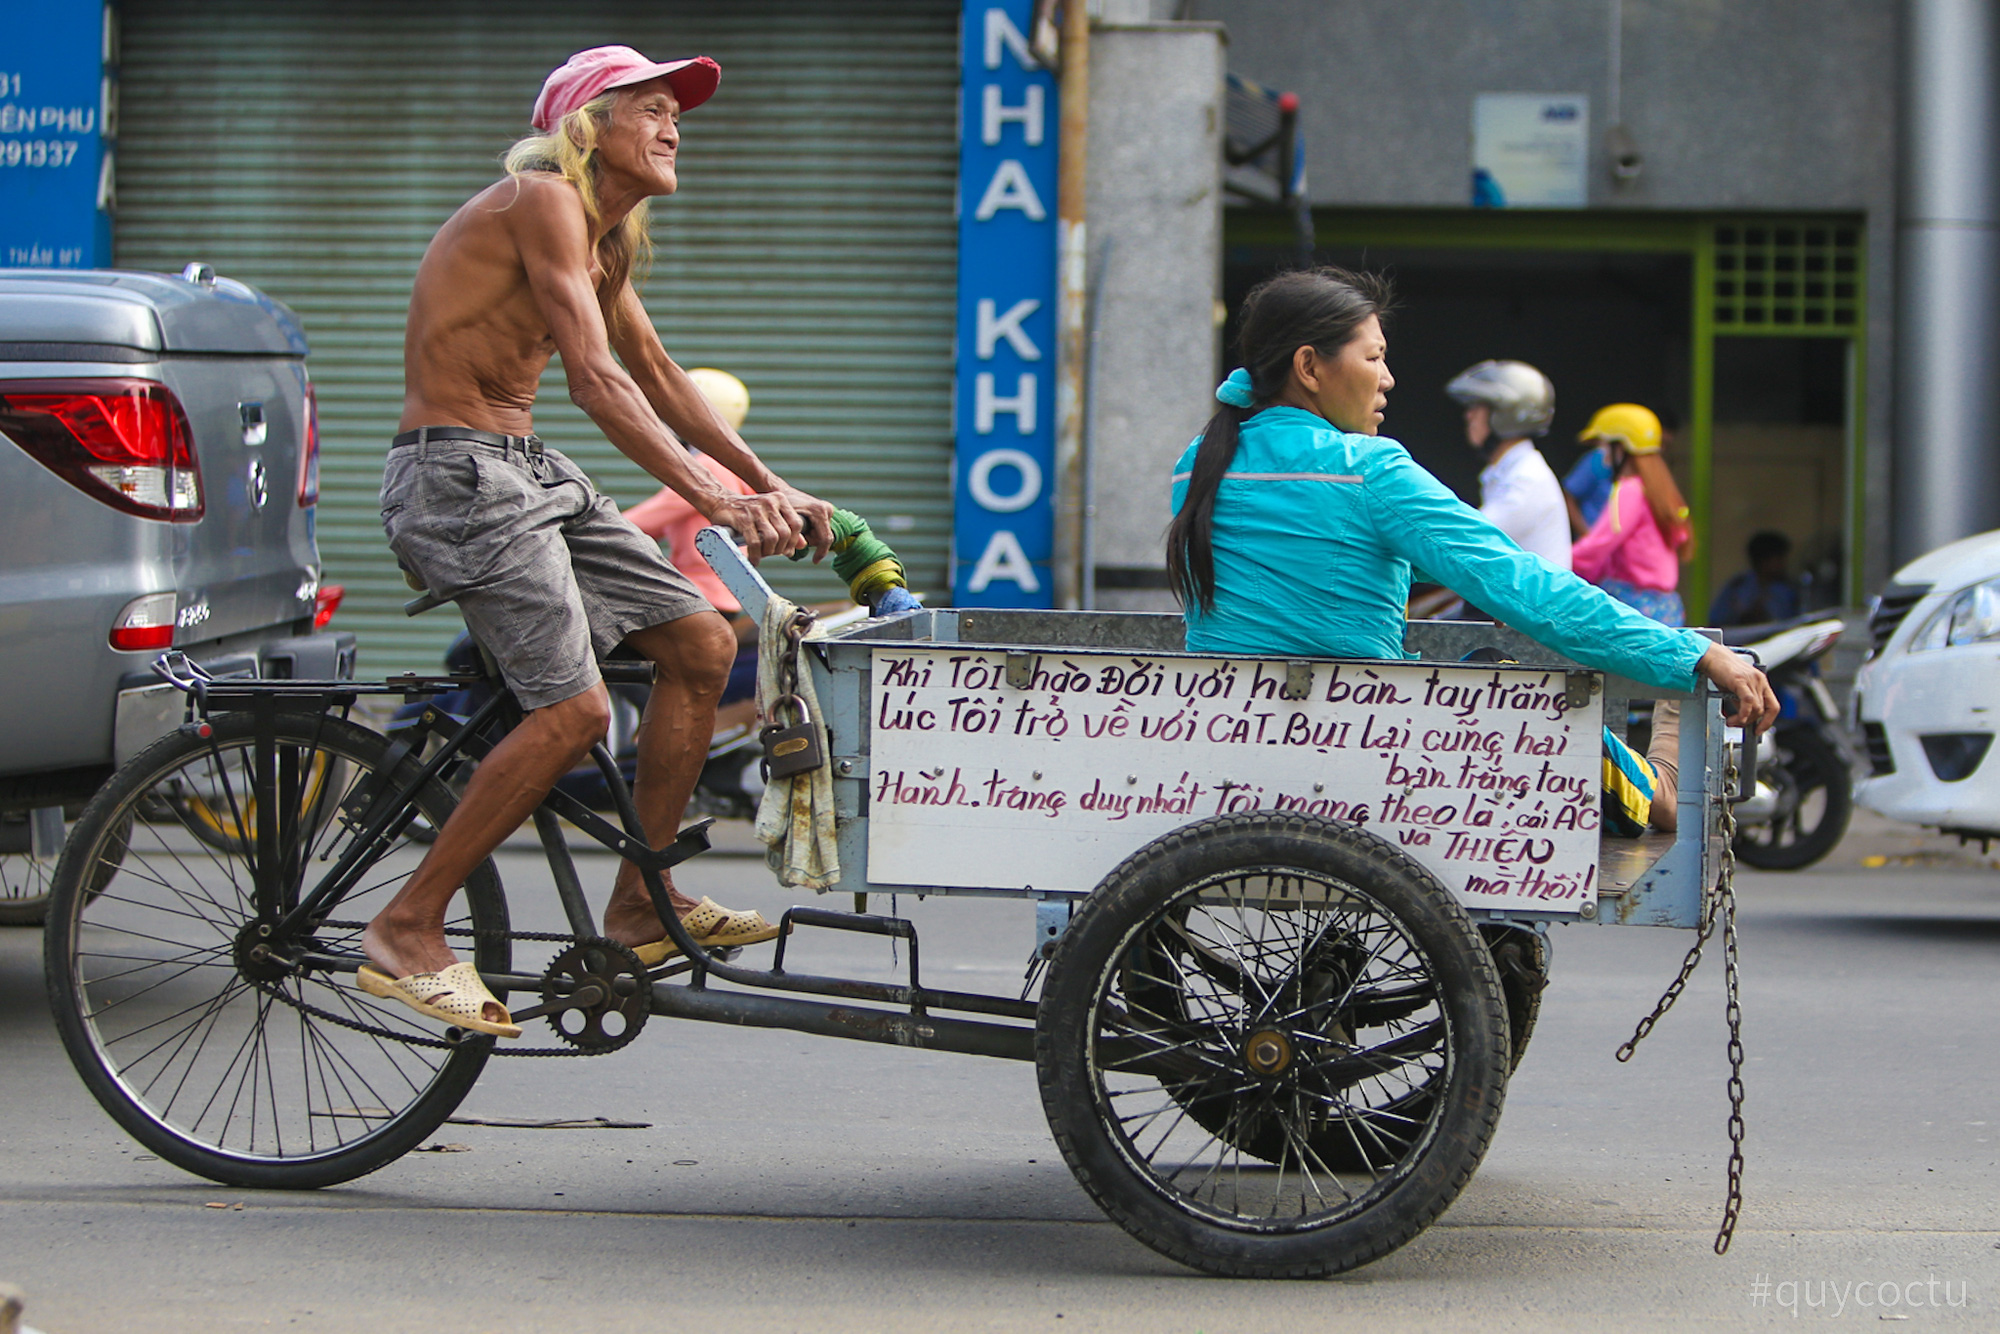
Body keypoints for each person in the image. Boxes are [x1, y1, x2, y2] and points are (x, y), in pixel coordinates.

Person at [360, 45, 836, 1038]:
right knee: (572, 709)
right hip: (456, 475)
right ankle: (408, 924)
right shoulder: (540, 197)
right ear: (586, 125)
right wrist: (712, 493)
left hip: (526, 467)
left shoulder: (603, 241)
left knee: (703, 643)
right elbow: (595, 378)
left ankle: (637, 902)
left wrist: (768, 484)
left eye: (678, 113)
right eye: (652, 108)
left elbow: (657, 373)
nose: (673, 126)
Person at [1165, 269, 1776, 813]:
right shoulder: (1367, 469)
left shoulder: (1198, 466)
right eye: (1375, 358)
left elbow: (1320, 560)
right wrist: (1687, 655)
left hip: (1225, 758)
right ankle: (1659, 788)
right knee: (1510, 691)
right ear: (1308, 368)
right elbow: (1525, 588)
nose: (1389, 379)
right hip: (1355, 757)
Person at [1569, 403, 1691, 626]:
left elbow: (1600, 544)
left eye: (1605, 447)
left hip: (1632, 605)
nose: (1602, 455)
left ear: (1621, 449)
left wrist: (1555, 563)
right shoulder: (1658, 488)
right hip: (1667, 608)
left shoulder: (1629, 489)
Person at [1445, 359, 1571, 570]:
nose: (1469, 415)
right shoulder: (1510, 471)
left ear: (1506, 414)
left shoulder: (1527, 479)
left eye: (1479, 407)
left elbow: (1466, 538)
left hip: (1532, 602)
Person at [1710, 530, 1802, 627]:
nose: (1783, 564)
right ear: (1762, 560)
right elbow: (1716, 620)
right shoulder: (1738, 586)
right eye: (1778, 559)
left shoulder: (1787, 590)